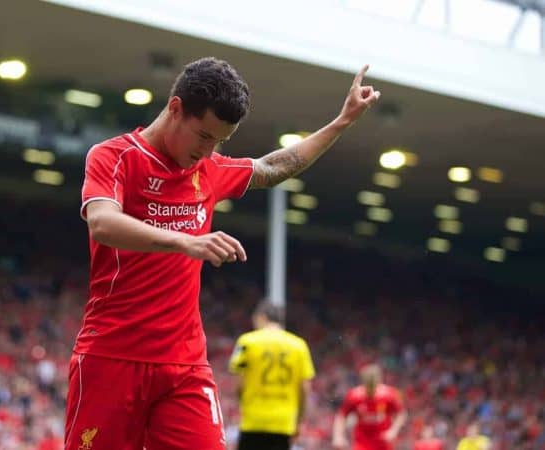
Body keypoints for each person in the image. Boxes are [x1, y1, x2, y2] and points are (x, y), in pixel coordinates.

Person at [65, 56, 381, 450]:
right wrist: (184, 240)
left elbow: (274, 167)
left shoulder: (208, 169)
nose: (209, 150)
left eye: (220, 142)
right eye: (203, 136)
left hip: (184, 365)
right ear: (176, 108)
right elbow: (102, 223)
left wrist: (342, 121)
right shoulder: (115, 157)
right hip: (111, 357)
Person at [228, 300, 315, 450]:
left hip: (253, 419)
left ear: (261, 317)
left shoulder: (246, 342)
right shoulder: (299, 346)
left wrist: (242, 403)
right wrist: (299, 420)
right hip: (283, 423)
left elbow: (238, 383)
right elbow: (305, 389)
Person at [332, 363, 407, 450]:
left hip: (383, 441)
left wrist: (393, 431)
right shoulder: (355, 396)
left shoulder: (389, 394)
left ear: (379, 381)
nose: (371, 389)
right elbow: (341, 416)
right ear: (363, 382)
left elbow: (401, 414)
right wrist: (338, 436)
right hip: (362, 442)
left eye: (373, 386)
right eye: (368, 386)